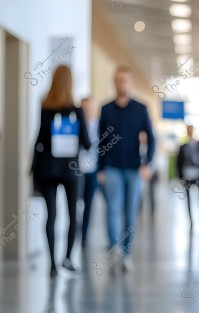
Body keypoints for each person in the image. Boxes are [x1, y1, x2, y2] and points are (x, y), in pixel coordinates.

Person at [31, 65, 91, 277]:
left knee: (51, 215)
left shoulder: (45, 108)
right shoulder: (76, 111)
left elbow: (39, 139)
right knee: (73, 214)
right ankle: (67, 257)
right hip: (70, 170)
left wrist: (32, 168)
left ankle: (52, 265)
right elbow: (87, 142)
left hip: (48, 169)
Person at [97, 65, 155, 271]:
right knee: (112, 209)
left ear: (130, 83)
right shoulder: (106, 109)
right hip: (112, 168)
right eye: (118, 80)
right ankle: (115, 248)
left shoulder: (141, 109)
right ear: (114, 82)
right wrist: (100, 169)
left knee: (130, 213)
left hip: (133, 169)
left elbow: (151, 137)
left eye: (125, 81)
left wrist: (147, 163)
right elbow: (101, 143)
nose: (122, 84)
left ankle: (127, 253)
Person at [176, 125, 199, 227]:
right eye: (188, 130)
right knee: (188, 199)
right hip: (187, 175)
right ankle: (191, 220)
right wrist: (180, 178)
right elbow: (179, 163)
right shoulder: (183, 147)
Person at [77, 97, 99, 249]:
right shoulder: (76, 125)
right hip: (77, 171)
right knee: (75, 204)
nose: (86, 111)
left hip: (93, 171)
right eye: (83, 108)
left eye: (88, 108)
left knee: (88, 204)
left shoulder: (99, 126)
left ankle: (84, 236)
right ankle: (74, 234)